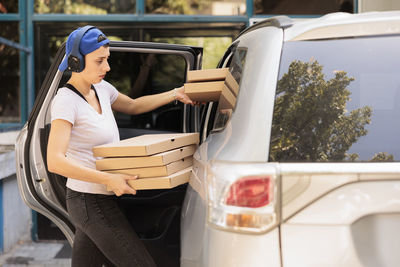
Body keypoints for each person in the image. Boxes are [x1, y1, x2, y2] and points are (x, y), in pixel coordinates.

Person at [47, 25, 196, 267]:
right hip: (88, 200)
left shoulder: (102, 89)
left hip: (103, 198)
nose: (107, 67)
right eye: (99, 61)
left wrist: (175, 93)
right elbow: (55, 160)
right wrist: (107, 179)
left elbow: (135, 105)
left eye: (107, 60)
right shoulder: (65, 101)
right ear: (76, 62)